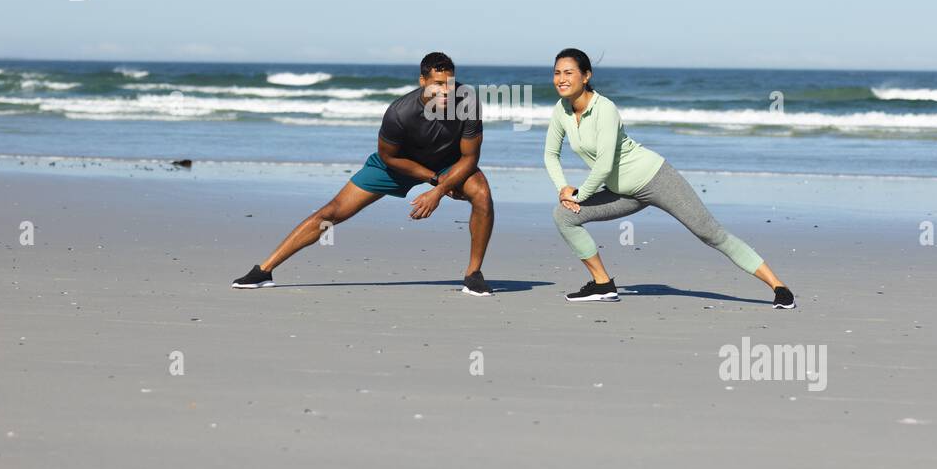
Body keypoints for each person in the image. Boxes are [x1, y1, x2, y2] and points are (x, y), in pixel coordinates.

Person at [543, 48, 796, 308]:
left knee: (710, 234)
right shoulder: (561, 111)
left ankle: (779, 288)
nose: (561, 78)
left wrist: (579, 195)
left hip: (654, 177)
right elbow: (551, 154)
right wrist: (563, 188)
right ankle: (603, 285)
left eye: (568, 72)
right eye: (557, 73)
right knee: (563, 216)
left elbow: (605, 164)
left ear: (586, 76)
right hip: (621, 192)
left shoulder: (605, 109)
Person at [232, 52, 495, 295]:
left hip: (447, 164)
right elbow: (388, 156)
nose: (445, 90)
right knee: (331, 212)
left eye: (449, 83)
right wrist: (436, 181)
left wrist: (438, 190)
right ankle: (263, 271)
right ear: (422, 81)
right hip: (397, 165)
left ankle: (473, 274)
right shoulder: (399, 113)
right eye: (437, 83)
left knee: (482, 194)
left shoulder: (467, 102)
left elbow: (470, 158)